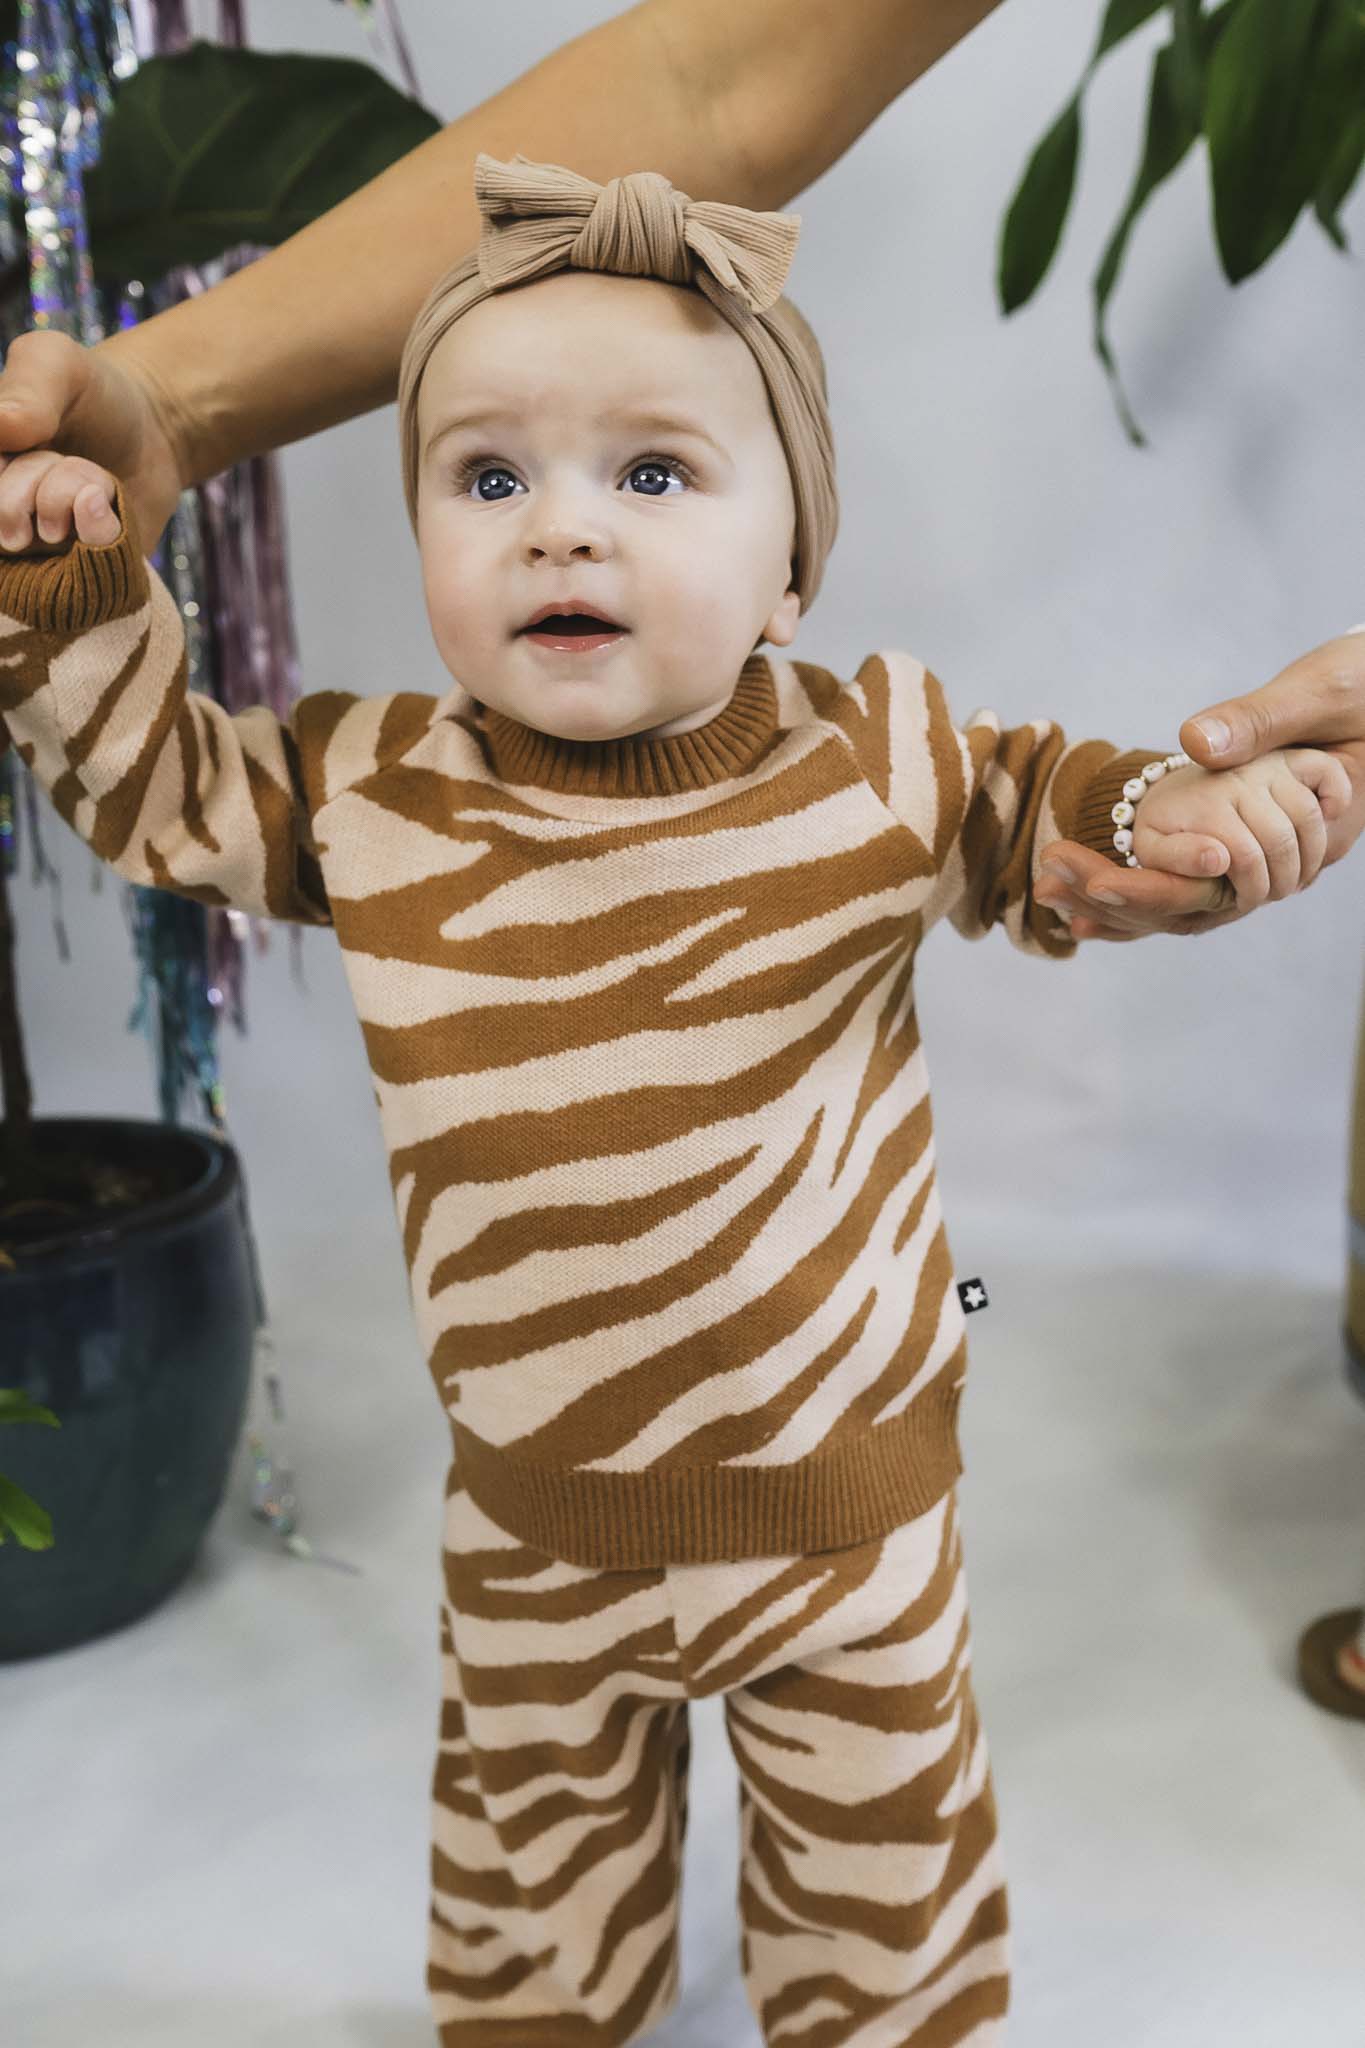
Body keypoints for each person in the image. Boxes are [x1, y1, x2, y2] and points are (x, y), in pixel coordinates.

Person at [0, 152, 1356, 2046]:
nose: (561, 529)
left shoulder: (877, 758)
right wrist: (67, 579)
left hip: (848, 1512)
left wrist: (1173, 814)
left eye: (651, 474)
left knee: (881, 1891)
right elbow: (161, 791)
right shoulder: (372, 791)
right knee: (530, 1892)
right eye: (488, 478)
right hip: (537, 1523)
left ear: (792, 570)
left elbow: (1053, 803)